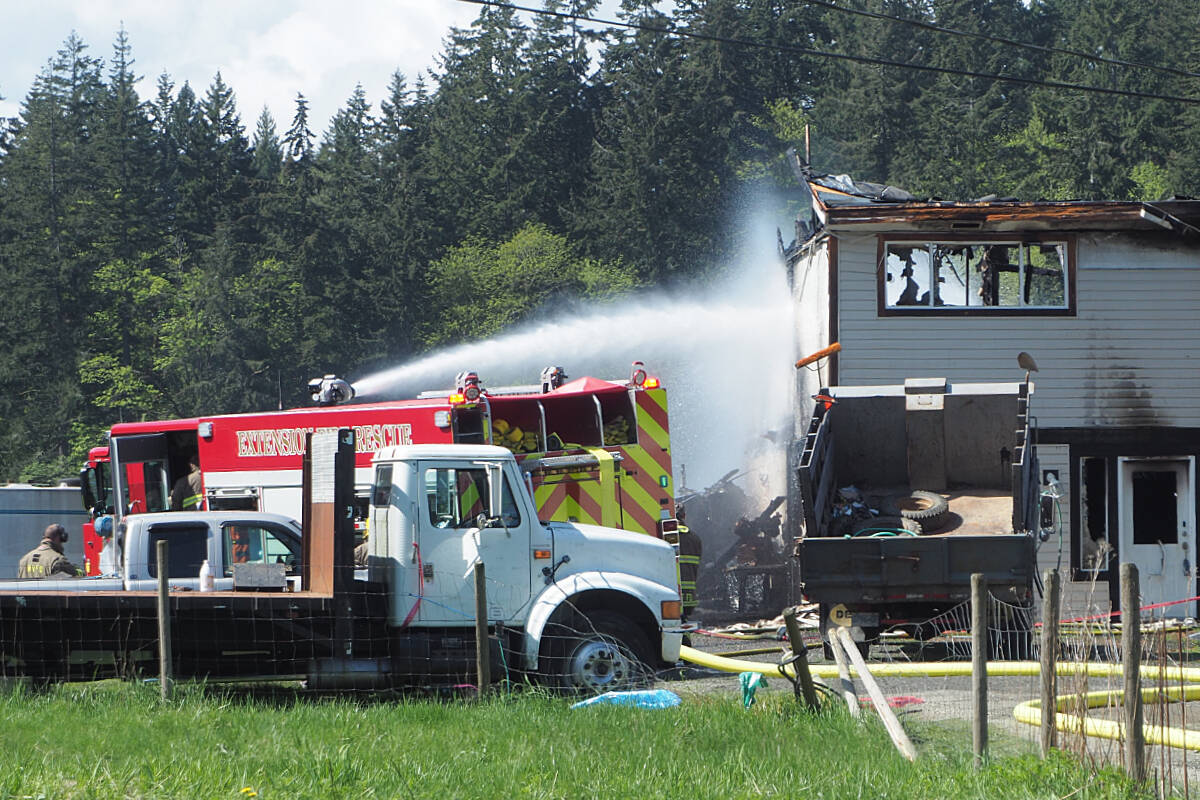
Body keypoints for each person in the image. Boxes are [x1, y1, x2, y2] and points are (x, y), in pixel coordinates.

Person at [18, 524, 82, 579]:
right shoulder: (58, 560)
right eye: (61, 541)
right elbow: (76, 578)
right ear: (58, 538)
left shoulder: (24, 560)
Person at [675, 506, 702, 620]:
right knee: (685, 624)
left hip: (672, 595)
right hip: (689, 596)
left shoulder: (662, 539)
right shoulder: (695, 538)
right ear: (684, 516)